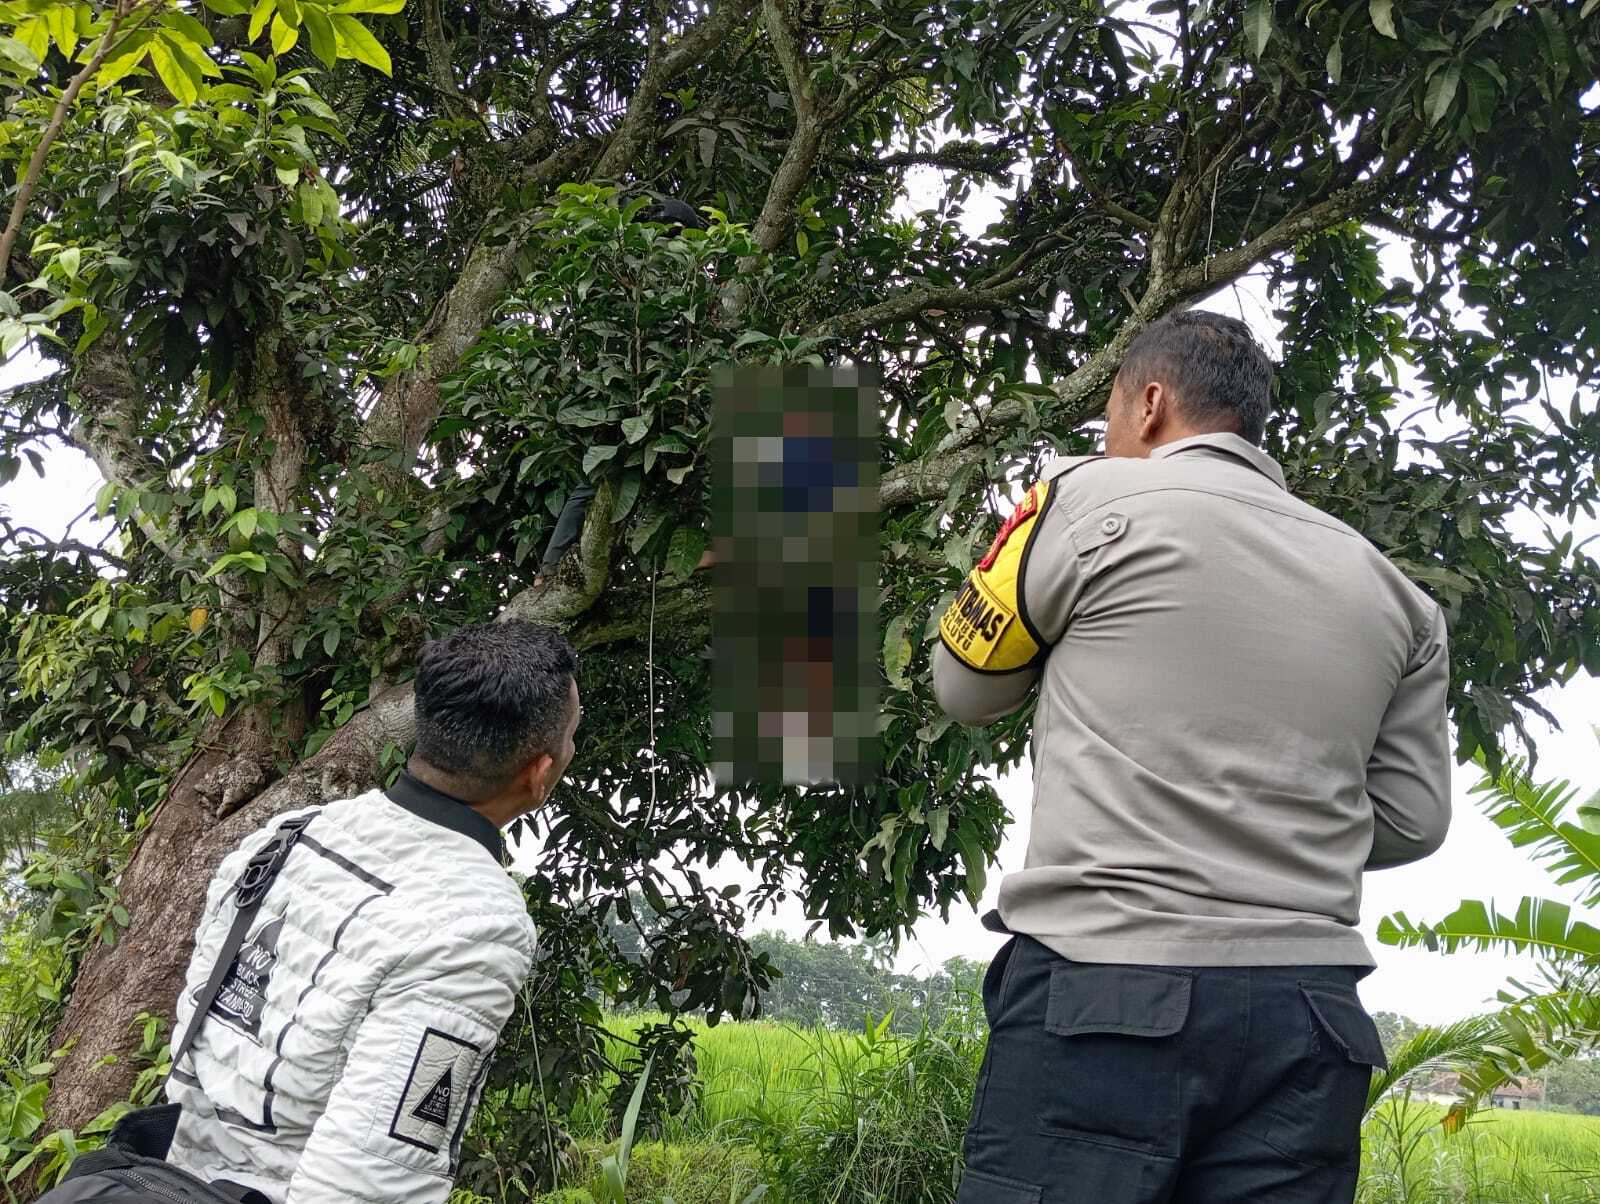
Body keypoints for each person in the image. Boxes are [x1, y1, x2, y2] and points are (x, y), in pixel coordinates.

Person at [934, 310, 1451, 1204]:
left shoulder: (1080, 500)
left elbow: (965, 690)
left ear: (1149, 403)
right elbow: (1414, 818)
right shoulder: (1393, 592)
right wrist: (1276, 805)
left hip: (1105, 993)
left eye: (1107, 417)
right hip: (1310, 1018)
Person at [165, 620, 581, 1203]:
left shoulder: (292, 833)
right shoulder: (477, 921)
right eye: (569, 737)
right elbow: (372, 1178)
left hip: (166, 1176)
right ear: (539, 773)